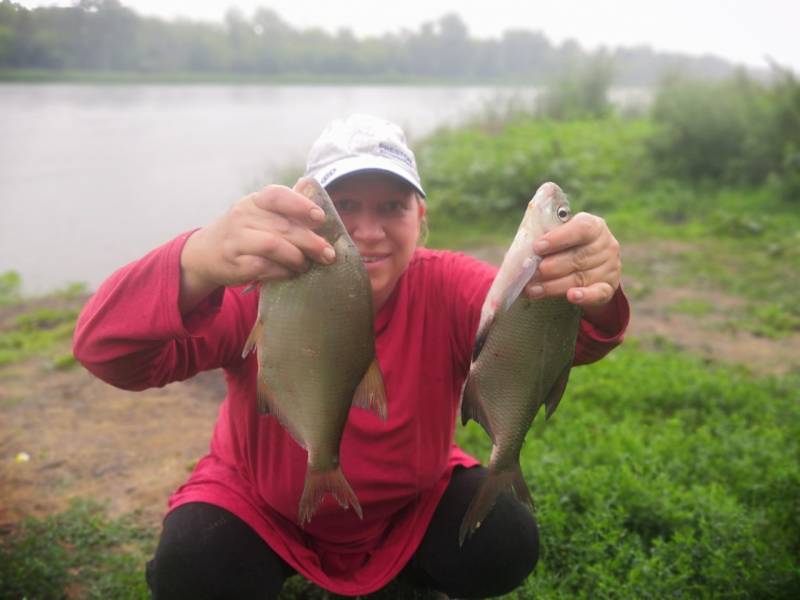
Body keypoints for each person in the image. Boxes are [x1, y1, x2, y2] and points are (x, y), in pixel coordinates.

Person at [73, 114, 629, 599]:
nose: (367, 231)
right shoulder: (268, 291)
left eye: (392, 206)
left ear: (422, 220)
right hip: (264, 507)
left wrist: (586, 291)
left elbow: (564, 346)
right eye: (343, 207)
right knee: (195, 567)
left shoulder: (450, 285)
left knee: (505, 544)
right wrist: (194, 261)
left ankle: (406, 566)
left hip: (411, 505)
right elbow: (110, 352)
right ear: (302, 216)